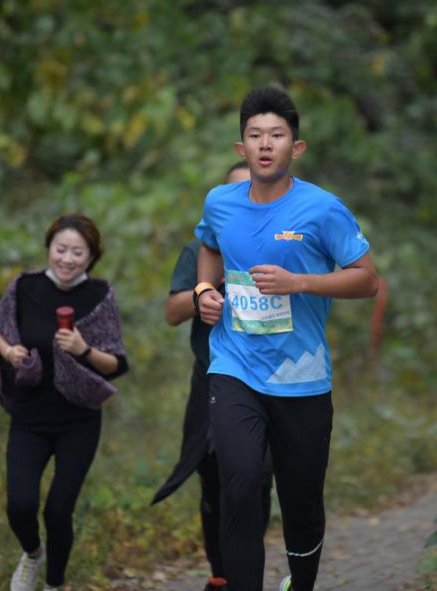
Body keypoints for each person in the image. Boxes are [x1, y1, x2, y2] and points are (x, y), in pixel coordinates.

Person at [194, 87, 379, 591]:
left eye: (276, 135)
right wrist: (204, 289)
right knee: (240, 482)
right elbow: (207, 247)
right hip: (234, 366)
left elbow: (367, 279)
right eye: (255, 136)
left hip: (301, 379)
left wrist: (300, 282)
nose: (265, 144)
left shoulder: (322, 209)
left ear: (296, 147)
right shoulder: (220, 202)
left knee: (301, 504)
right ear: (241, 149)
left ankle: (300, 583)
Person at [0, 213, 129, 591]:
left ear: (92, 256)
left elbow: (116, 364)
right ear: (48, 247)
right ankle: (32, 554)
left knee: (60, 510)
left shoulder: (99, 296)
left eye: (77, 252)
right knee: (20, 505)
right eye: (60, 249)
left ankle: (54, 584)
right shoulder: (26, 286)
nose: (67, 259)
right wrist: (11, 352)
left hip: (79, 420)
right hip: (30, 417)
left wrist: (84, 350)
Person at [151, 161, 273, 591]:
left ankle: (245, 569)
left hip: (267, 380)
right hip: (212, 378)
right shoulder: (200, 249)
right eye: (235, 193)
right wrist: (209, 286)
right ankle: (221, 576)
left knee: (257, 480)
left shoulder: (279, 244)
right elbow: (171, 312)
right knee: (213, 478)